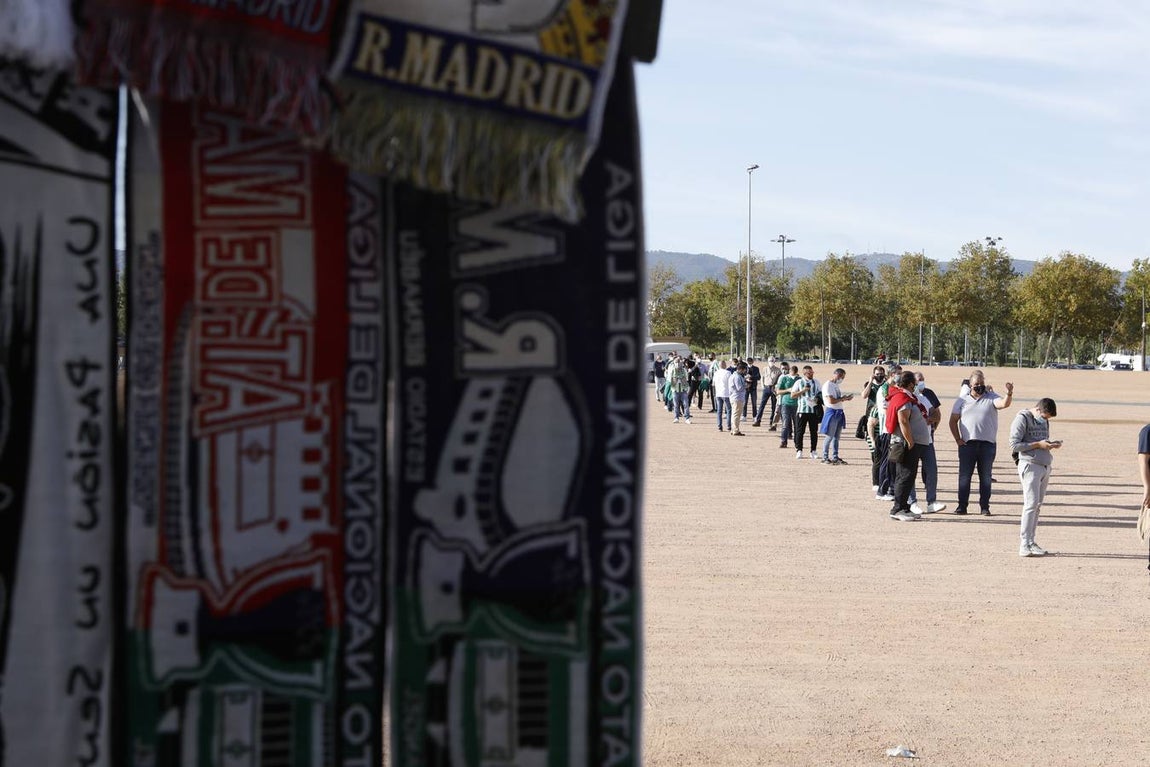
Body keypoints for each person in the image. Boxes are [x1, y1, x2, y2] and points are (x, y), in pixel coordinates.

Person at [948, 369, 1013, 515]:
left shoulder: (991, 397)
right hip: (967, 445)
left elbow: (1004, 404)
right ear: (970, 385)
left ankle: (985, 507)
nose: (980, 386)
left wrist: (1009, 393)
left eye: (982, 383)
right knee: (965, 476)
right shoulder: (962, 400)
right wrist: (958, 439)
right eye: (976, 384)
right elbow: (953, 421)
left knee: (985, 477)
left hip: (987, 445)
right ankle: (962, 506)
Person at [1010, 398, 1061, 557]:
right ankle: (1024, 544)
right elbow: (1014, 445)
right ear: (1038, 410)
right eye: (1045, 416)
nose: (1046, 420)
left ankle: (1031, 541)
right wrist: (1038, 445)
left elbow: (1042, 441)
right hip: (1030, 465)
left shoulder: (1044, 421)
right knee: (1030, 504)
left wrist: (1050, 444)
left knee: (1037, 505)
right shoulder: (1022, 418)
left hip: (1044, 464)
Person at [886, 371, 930, 521]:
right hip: (906, 444)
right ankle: (897, 509)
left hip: (912, 443)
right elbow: (903, 420)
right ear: (910, 384)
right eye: (915, 384)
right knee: (904, 476)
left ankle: (904, 507)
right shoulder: (902, 398)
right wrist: (910, 441)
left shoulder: (907, 397)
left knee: (908, 476)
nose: (916, 386)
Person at [910, 371, 947, 514]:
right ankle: (912, 502)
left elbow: (936, 414)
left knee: (932, 471)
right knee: (910, 472)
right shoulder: (906, 399)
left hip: (927, 441)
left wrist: (929, 420)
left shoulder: (924, 398)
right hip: (912, 441)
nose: (918, 384)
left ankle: (931, 502)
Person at [820, 367, 853, 464]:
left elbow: (837, 399)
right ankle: (824, 457)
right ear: (837, 375)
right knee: (829, 436)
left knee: (836, 437)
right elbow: (831, 400)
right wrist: (842, 399)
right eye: (841, 377)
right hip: (832, 411)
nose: (841, 379)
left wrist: (845, 398)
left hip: (839, 411)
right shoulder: (828, 385)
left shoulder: (835, 385)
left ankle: (835, 456)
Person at [791, 365, 820, 459]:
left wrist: (817, 399)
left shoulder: (816, 382)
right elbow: (793, 395)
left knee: (814, 432)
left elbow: (820, 393)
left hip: (813, 410)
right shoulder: (799, 382)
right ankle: (799, 450)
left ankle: (813, 450)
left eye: (812, 372)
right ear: (804, 373)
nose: (811, 374)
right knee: (800, 431)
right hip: (802, 410)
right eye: (809, 373)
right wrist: (803, 390)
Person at [754, 356, 782, 429]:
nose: (771, 362)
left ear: (774, 361)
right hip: (766, 388)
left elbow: (779, 380)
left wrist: (775, 387)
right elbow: (762, 378)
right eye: (770, 360)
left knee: (773, 406)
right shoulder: (764, 369)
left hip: (773, 388)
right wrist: (763, 386)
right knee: (762, 405)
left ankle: (771, 421)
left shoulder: (778, 370)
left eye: (772, 360)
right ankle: (758, 420)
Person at [777, 363, 798, 449]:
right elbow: (778, 391)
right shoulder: (784, 378)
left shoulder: (800, 380)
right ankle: (783, 441)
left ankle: (797, 442)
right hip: (785, 403)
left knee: (797, 425)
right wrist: (788, 390)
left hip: (797, 404)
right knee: (785, 423)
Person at [668, 355, 692, 424]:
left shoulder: (684, 370)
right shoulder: (672, 370)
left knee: (686, 404)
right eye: (676, 362)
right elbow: (670, 380)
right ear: (674, 363)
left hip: (683, 390)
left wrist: (679, 378)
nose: (678, 363)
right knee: (676, 405)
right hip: (675, 390)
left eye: (679, 362)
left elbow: (686, 379)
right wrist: (678, 379)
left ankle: (687, 418)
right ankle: (676, 418)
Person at [729, 361, 748, 436]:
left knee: (734, 414)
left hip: (735, 397)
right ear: (741, 369)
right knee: (736, 415)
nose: (745, 371)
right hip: (737, 398)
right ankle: (735, 430)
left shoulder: (735, 376)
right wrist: (746, 385)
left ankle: (733, 429)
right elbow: (739, 388)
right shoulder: (737, 377)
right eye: (744, 370)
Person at [713, 359, 732, 431]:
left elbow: (713, 384)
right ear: (724, 365)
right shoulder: (728, 373)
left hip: (718, 393)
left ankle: (719, 426)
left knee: (719, 411)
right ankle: (728, 426)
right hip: (726, 393)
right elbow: (730, 383)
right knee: (729, 410)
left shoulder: (716, 373)